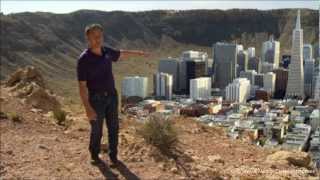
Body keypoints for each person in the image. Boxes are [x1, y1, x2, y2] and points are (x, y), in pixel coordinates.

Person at [77, 23, 148, 166]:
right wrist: (88, 109)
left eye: (100, 36)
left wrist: (139, 53)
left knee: (114, 127)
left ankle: (113, 156)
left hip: (112, 96)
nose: (98, 39)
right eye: (94, 36)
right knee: (97, 129)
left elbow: (121, 53)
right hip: (96, 99)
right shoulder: (84, 59)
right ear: (88, 38)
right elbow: (82, 86)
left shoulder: (106, 51)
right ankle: (95, 155)